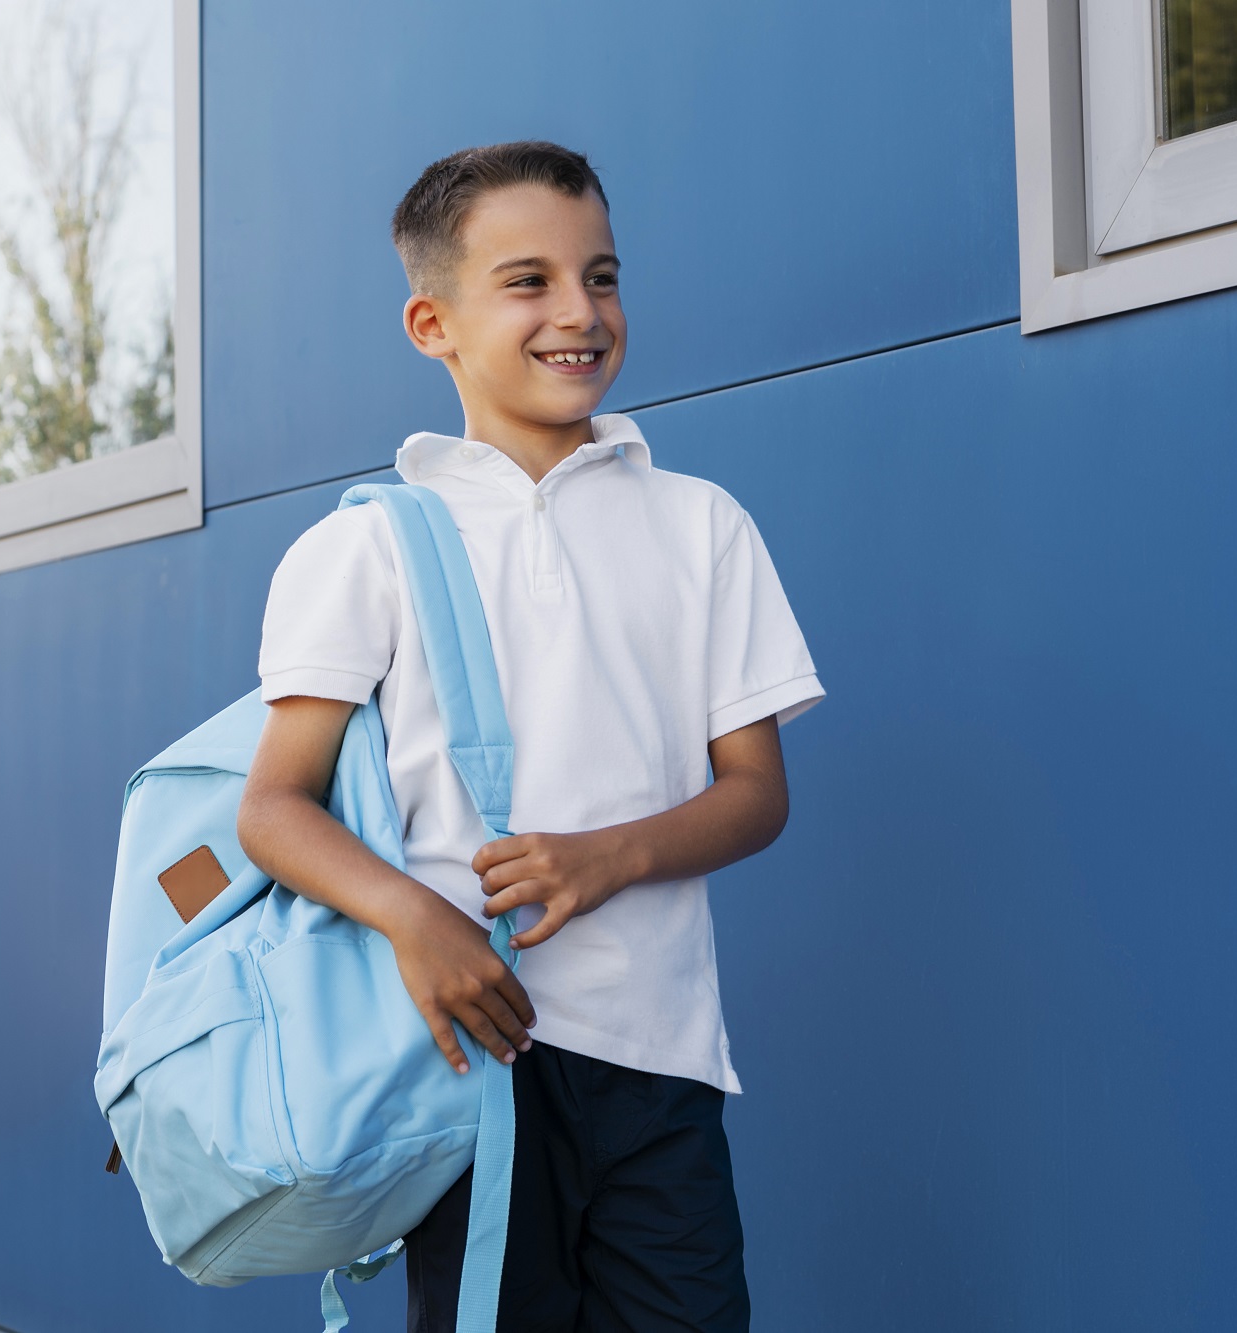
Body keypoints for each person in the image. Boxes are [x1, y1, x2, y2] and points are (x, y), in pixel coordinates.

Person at [236, 140, 821, 1332]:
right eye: (527, 282)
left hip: (663, 1064)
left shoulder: (700, 524)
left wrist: (611, 855)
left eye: (599, 276)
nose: (578, 312)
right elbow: (272, 806)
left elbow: (755, 791)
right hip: (467, 1073)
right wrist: (415, 918)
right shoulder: (367, 546)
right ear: (429, 321)